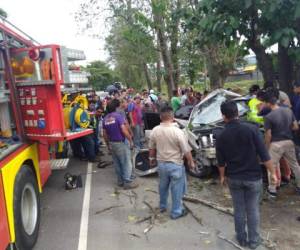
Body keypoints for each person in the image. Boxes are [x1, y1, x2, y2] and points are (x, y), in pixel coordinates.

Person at [216, 101, 276, 249]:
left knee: (239, 209)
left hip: (234, 178)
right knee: (253, 209)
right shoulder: (252, 129)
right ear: (237, 112)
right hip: (253, 178)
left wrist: (222, 177)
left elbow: (221, 161)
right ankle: (254, 242)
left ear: (223, 116)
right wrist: (273, 172)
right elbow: (264, 155)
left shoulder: (221, 135)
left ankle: (241, 238)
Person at [149, 106, 195, 219]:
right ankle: (176, 212)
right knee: (176, 189)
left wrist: (151, 160)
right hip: (175, 165)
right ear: (173, 117)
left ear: (160, 117)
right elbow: (186, 150)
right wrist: (191, 162)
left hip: (162, 165)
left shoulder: (155, 130)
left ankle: (162, 206)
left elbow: (151, 148)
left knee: (162, 187)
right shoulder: (178, 132)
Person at [263, 89, 300, 197]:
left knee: (271, 167)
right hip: (289, 141)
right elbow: (295, 127)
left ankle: (272, 190)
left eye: (265, 103)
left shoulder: (268, 117)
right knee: (295, 165)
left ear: (269, 103)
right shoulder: (288, 111)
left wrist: (267, 147)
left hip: (276, 144)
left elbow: (268, 135)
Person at [102, 99, 138, 189]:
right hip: (121, 143)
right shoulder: (118, 116)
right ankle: (127, 183)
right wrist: (130, 139)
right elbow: (123, 129)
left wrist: (108, 145)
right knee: (126, 163)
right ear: (116, 108)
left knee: (117, 163)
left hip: (112, 143)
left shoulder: (105, 119)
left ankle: (120, 181)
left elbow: (104, 134)